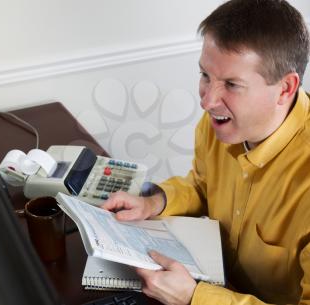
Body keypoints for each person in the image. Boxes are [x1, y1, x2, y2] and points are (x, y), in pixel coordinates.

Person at [102, 0, 310, 304]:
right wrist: (154, 202)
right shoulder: (221, 122)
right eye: (205, 76)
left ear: (285, 88)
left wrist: (195, 298)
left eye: (231, 84)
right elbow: (203, 185)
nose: (208, 101)